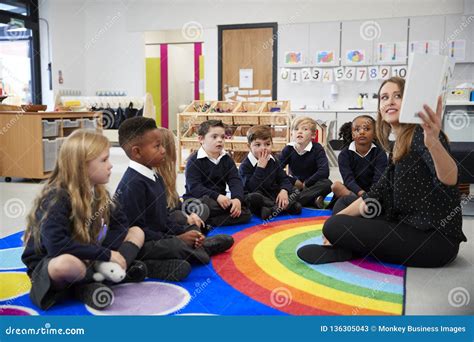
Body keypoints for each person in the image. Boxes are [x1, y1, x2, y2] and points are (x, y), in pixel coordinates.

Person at [298, 77, 467, 267]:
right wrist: (339, 218)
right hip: (405, 223)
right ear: (380, 107)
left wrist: (433, 142)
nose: (390, 101)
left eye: (398, 96)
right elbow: (377, 194)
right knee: (344, 205)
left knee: (334, 226)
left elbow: (451, 178)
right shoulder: (398, 144)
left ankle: (345, 246)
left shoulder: (423, 135)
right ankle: (345, 245)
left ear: (410, 101)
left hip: (434, 242)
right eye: (384, 97)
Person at [22, 130, 146, 310]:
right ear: (81, 166)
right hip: (52, 261)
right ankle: (91, 283)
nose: (110, 165)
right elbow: (57, 246)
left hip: (90, 254)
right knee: (66, 265)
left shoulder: (99, 192)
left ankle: (107, 272)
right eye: (104, 160)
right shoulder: (56, 198)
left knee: (137, 232)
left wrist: (104, 250)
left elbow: (120, 225)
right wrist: (106, 255)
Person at [116, 117, 234, 281]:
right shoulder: (132, 185)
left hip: (160, 235)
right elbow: (137, 232)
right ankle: (147, 265)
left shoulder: (155, 177)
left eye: (162, 145)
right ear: (137, 152)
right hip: (143, 244)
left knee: (189, 230)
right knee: (181, 249)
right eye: (157, 146)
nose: (163, 150)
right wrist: (177, 239)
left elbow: (164, 218)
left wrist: (181, 232)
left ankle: (195, 247)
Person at [183, 119, 252, 226]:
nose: (220, 140)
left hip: (220, 203)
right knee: (205, 205)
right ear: (201, 139)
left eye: (222, 137)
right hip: (197, 200)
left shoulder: (226, 159)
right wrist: (217, 196)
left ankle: (209, 221)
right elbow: (195, 187)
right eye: (214, 137)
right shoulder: (193, 161)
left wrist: (237, 199)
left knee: (245, 212)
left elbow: (235, 181)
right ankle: (205, 217)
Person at [155, 127, 211, 234]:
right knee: (179, 216)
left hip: (180, 210)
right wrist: (186, 217)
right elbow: (164, 214)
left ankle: (195, 228)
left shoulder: (169, 172)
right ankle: (194, 231)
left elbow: (176, 203)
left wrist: (190, 214)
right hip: (168, 221)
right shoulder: (155, 177)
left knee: (203, 208)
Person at [239, 125, 302, 220]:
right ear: (249, 146)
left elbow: (283, 178)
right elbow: (252, 188)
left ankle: (273, 210)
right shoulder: (245, 166)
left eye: (267, 144)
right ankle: (282, 206)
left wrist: (284, 190)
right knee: (254, 197)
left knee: (295, 191)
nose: (263, 148)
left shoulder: (273, 160)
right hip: (258, 196)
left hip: (272, 194)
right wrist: (260, 167)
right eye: (258, 145)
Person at [330, 115, 388, 213]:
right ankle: (364, 206)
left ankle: (360, 207)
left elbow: (378, 181)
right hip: (352, 193)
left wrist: (369, 195)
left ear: (374, 134)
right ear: (353, 135)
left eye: (366, 129)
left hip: (373, 194)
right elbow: (348, 180)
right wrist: (361, 194)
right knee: (336, 186)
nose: (361, 132)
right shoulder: (344, 154)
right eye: (357, 130)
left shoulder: (380, 154)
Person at [279, 116, 332, 208]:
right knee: (279, 183)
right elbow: (277, 170)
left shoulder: (317, 148)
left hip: (312, 184)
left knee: (327, 183)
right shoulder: (288, 149)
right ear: (292, 134)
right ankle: (313, 201)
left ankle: (293, 201)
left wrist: (306, 183)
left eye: (305, 129)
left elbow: (324, 171)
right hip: (296, 185)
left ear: (313, 135)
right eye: (296, 129)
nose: (299, 132)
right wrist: (294, 181)